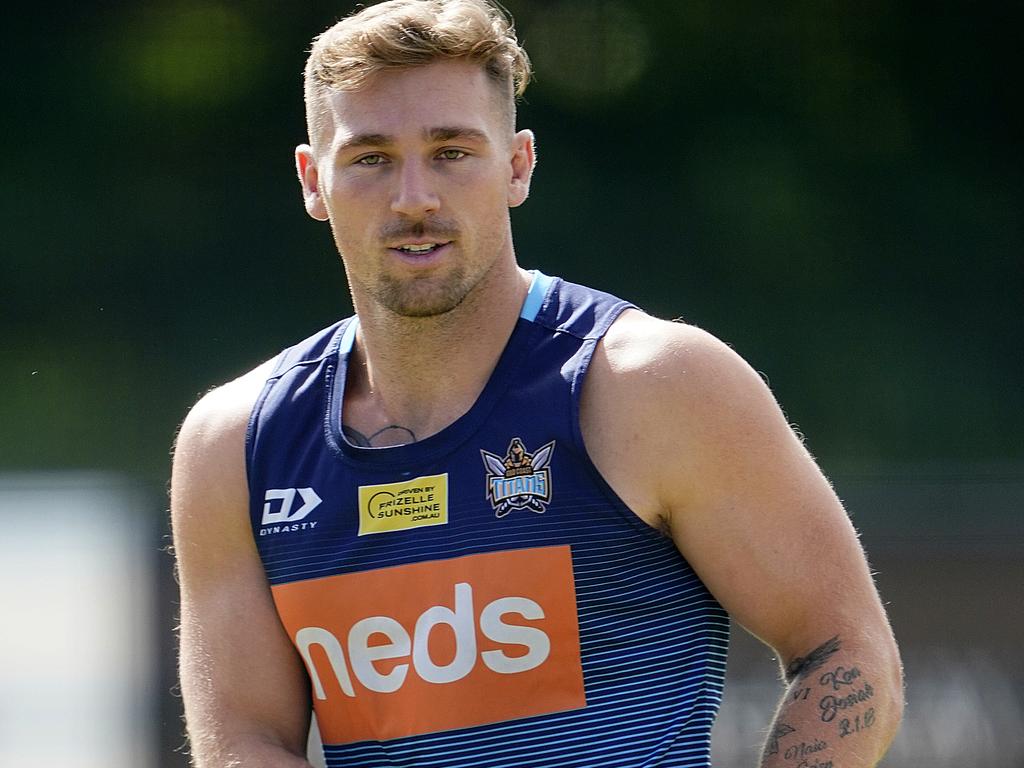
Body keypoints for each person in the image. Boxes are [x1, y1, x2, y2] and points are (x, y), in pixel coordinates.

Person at [170, 1, 903, 766]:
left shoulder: (653, 384)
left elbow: (845, 653)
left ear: (518, 166)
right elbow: (245, 742)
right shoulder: (238, 446)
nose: (414, 196)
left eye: (452, 151)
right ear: (313, 181)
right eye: (371, 158)